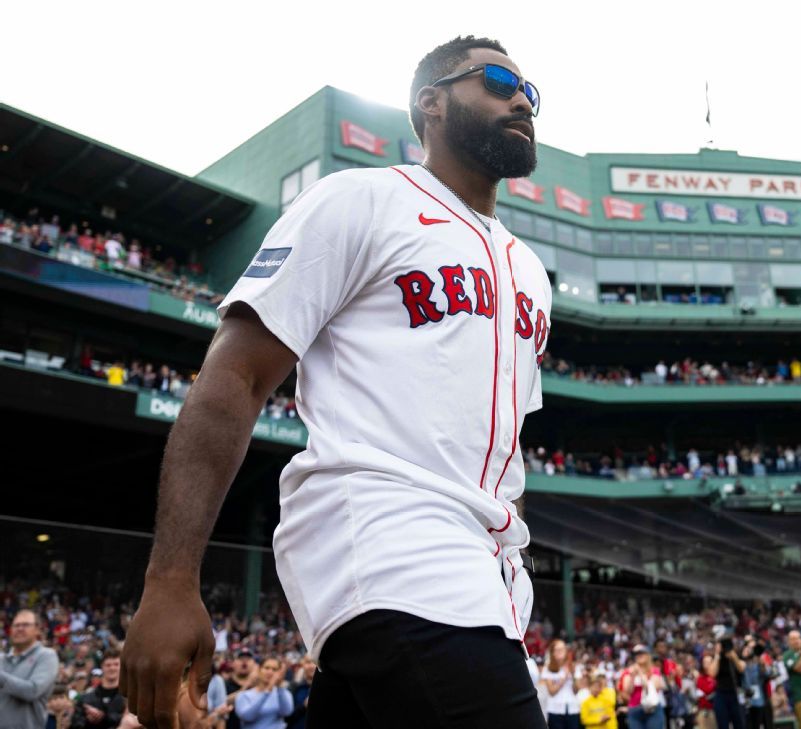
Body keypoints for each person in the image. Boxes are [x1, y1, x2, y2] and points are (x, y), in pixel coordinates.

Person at [121, 34, 550, 729]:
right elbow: (236, 375)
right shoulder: (361, 200)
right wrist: (171, 579)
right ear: (431, 103)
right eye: (499, 79)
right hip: (391, 543)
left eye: (530, 92)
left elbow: (508, 449)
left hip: (484, 578)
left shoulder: (530, 271)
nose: (520, 99)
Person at [1, 609, 60, 729]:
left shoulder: (46, 656)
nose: (20, 628)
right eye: (16, 625)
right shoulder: (1, 659)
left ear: (37, 629)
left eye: (26, 625)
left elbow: (32, 691)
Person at [70, 649, 126, 728]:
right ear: (102, 667)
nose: (112, 668)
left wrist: (104, 717)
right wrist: (88, 720)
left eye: (116, 664)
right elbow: (75, 724)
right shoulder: (86, 699)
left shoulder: (128, 699)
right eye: (108, 665)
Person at [233, 658, 291, 729]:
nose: (270, 672)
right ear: (259, 670)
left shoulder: (283, 692)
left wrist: (279, 688)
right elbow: (247, 717)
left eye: (274, 669)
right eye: (266, 668)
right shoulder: (244, 695)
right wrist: (267, 692)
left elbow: (286, 712)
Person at [618, 646, 666, 729]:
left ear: (648, 655)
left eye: (641, 653)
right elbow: (627, 691)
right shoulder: (628, 671)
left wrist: (640, 673)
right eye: (636, 654)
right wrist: (632, 676)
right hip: (635, 709)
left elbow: (653, 687)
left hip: (652, 708)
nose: (638, 656)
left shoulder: (654, 670)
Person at [705, 633, 745, 729]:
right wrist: (717, 654)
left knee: (739, 723)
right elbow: (712, 673)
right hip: (721, 694)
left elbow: (741, 668)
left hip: (735, 693)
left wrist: (733, 655)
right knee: (723, 724)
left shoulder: (736, 656)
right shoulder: (716, 658)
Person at [542, 639, 582, 729]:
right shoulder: (547, 668)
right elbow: (552, 691)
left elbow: (576, 690)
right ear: (552, 652)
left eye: (563, 649)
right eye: (558, 650)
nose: (561, 652)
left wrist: (573, 675)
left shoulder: (573, 666)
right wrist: (563, 679)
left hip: (572, 709)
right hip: (555, 709)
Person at [285, 657, 314, 729]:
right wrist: (303, 706)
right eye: (308, 662)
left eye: (315, 662)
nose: (312, 666)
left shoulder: (328, 688)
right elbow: (286, 717)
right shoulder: (294, 687)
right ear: (302, 665)